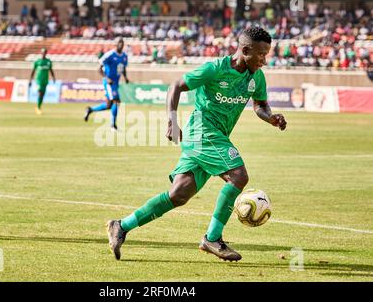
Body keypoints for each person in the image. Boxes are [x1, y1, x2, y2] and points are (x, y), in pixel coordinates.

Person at [106, 27, 287, 261]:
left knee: (179, 194)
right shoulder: (215, 69)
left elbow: (260, 105)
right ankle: (212, 238)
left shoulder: (256, 77)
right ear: (245, 50)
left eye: (267, 54)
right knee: (239, 176)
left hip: (211, 137)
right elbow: (176, 86)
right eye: (261, 54)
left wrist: (271, 117)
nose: (265, 60)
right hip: (202, 132)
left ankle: (121, 225)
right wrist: (172, 120)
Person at [84, 38, 129, 130]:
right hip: (109, 82)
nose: (121, 44)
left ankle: (90, 110)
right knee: (116, 101)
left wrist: (125, 77)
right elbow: (99, 68)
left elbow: (122, 68)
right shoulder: (109, 55)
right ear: (115, 44)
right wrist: (106, 78)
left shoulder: (124, 56)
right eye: (119, 43)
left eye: (122, 43)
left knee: (109, 105)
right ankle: (113, 125)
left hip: (115, 82)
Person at [28, 48, 55, 115]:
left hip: (45, 80)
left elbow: (51, 70)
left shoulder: (48, 62)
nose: (43, 54)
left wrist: (54, 77)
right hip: (38, 80)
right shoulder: (37, 62)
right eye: (42, 52)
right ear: (41, 53)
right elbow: (33, 71)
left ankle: (39, 107)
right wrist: (30, 80)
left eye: (45, 52)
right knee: (40, 92)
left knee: (42, 94)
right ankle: (38, 107)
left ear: (46, 53)